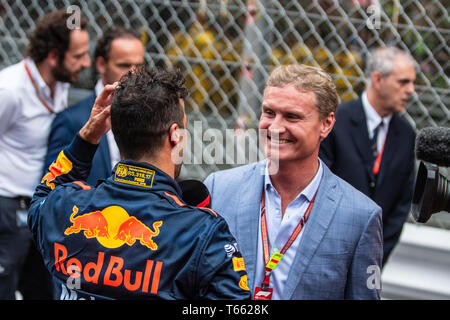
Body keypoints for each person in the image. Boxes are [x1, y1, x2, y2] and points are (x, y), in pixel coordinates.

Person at [28, 66, 251, 300]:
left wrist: (87, 137)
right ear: (175, 134)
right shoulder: (201, 233)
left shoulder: (64, 206)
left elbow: (43, 195)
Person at [204, 64, 383, 300]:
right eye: (269, 113)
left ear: (326, 124)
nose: (276, 127)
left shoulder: (360, 217)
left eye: (292, 117)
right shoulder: (219, 189)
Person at [0, 9, 90, 299]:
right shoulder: (10, 88)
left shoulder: (60, 85)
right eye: (78, 56)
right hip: (7, 209)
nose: (86, 63)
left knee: (42, 289)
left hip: (39, 211)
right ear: (53, 55)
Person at [319, 47, 417, 266]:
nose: (411, 90)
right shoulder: (337, 122)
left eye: (412, 83)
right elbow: (320, 186)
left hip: (373, 258)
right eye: (403, 82)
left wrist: (375, 255)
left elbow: (402, 204)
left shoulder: (406, 135)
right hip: (328, 251)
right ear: (378, 79)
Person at [45, 27, 145, 186]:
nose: (134, 73)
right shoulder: (71, 119)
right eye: (124, 65)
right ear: (101, 64)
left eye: (139, 65)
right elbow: (53, 185)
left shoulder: (147, 116)